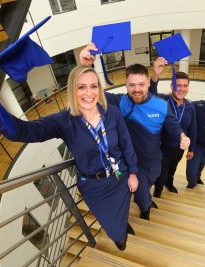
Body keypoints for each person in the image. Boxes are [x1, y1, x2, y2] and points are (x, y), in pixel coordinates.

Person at [0, 65, 139, 251]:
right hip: (94, 188)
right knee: (114, 231)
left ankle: (122, 225)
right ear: (73, 89)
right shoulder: (64, 121)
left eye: (93, 86)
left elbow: (126, 145)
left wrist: (133, 173)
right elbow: (21, 132)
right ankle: (120, 238)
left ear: (99, 89)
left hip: (120, 177)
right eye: (81, 87)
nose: (89, 93)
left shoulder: (112, 113)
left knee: (121, 213)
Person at [80, 43, 190, 220]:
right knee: (142, 194)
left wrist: (183, 137)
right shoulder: (120, 102)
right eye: (131, 85)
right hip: (132, 163)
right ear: (125, 85)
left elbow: (174, 127)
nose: (136, 89)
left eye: (141, 84)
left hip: (154, 162)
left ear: (148, 83)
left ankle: (145, 200)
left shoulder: (161, 105)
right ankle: (145, 208)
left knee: (147, 186)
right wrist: (85, 67)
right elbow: (93, 92)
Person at [149, 57, 197, 197]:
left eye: (185, 86)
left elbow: (193, 129)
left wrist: (192, 149)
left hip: (178, 149)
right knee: (161, 174)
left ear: (188, 87)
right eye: (178, 85)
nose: (181, 89)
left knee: (173, 169)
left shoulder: (190, 107)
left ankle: (170, 183)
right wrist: (155, 75)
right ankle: (158, 191)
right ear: (171, 86)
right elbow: (150, 95)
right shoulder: (162, 100)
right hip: (162, 147)